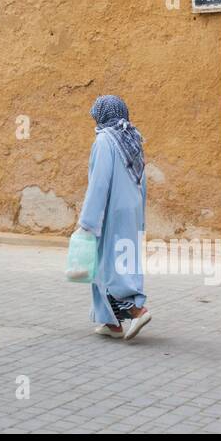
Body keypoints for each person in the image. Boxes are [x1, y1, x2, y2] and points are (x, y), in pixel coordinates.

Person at [78, 95, 150, 341]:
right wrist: (140, 215)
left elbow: (99, 182)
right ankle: (111, 322)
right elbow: (142, 180)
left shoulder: (104, 141)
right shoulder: (133, 138)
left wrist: (88, 221)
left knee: (106, 263)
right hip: (131, 209)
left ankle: (137, 309)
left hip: (111, 210)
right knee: (125, 257)